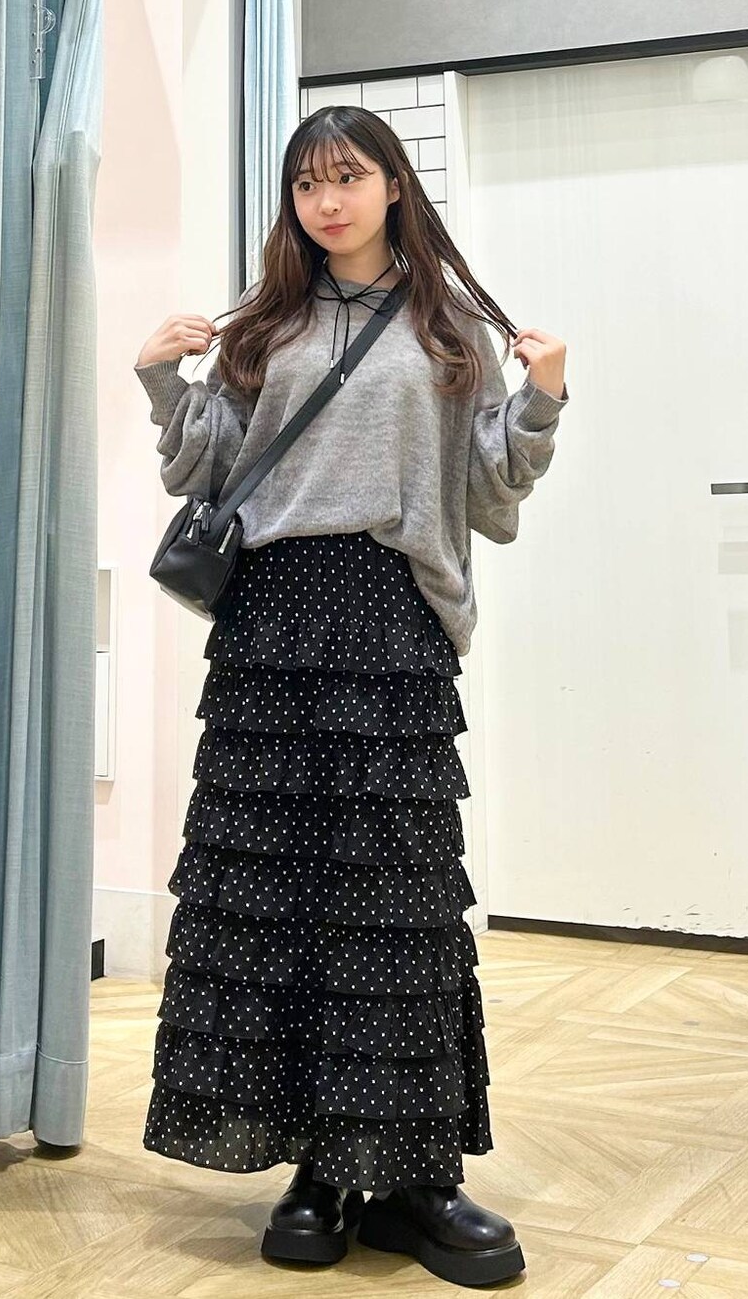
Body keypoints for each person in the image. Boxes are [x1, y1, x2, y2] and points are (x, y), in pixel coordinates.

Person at [132, 104, 568, 1288]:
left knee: (397, 905)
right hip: (271, 625)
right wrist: (160, 379)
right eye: (307, 183)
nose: (327, 201)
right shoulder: (261, 324)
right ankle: (317, 1167)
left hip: (390, 618)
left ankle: (413, 1174)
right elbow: (207, 465)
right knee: (274, 897)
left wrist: (541, 397)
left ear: (391, 186)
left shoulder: (451, 324)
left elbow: (489, 488)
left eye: (348, 177)